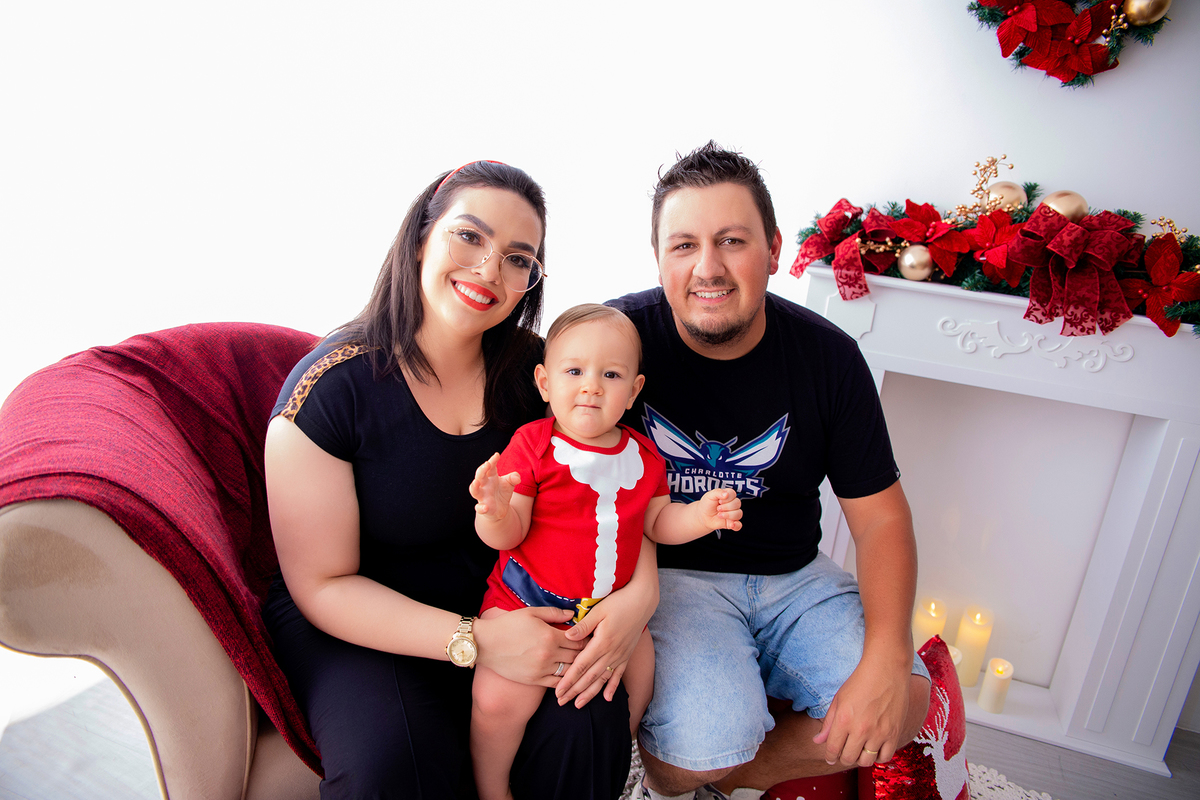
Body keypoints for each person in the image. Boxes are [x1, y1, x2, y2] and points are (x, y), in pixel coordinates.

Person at [262, 162, 653, 799]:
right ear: (422, 236)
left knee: (587, 717)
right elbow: (322, 585)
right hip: (365, 624)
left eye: (518, 258)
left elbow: (626, 484)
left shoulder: (543, 376)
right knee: (398, 764)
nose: (490, 271)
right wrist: (474, 643)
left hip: (510, 604)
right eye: (469, 237)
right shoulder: (329, 390)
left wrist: (640, 598)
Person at [604, 143, 932, 800]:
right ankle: (689, 764)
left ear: (774, 250)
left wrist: (890, 655)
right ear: (660, 258)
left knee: (906, 704)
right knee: (699, 743)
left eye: (732, 241)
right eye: (684, 245)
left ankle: (718, 777)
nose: (708, 267)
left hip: (795, 577)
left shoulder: (830, 358)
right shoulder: (614, 343)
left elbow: (881, 519)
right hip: (676, 579)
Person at [467, 304, 743, 800]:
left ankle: (625, 761)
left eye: (610, 374)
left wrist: (701, 516)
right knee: (497, 699)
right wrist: (493, 509)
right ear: (545, 382)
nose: (591, 385)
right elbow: (509, 535)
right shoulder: (534, 445)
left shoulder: (644, 456)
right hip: (527, 604)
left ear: (633, 390)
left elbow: (658, 524)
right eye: (574, 371)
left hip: (607, 613)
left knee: (638, 676)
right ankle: (491, 788)